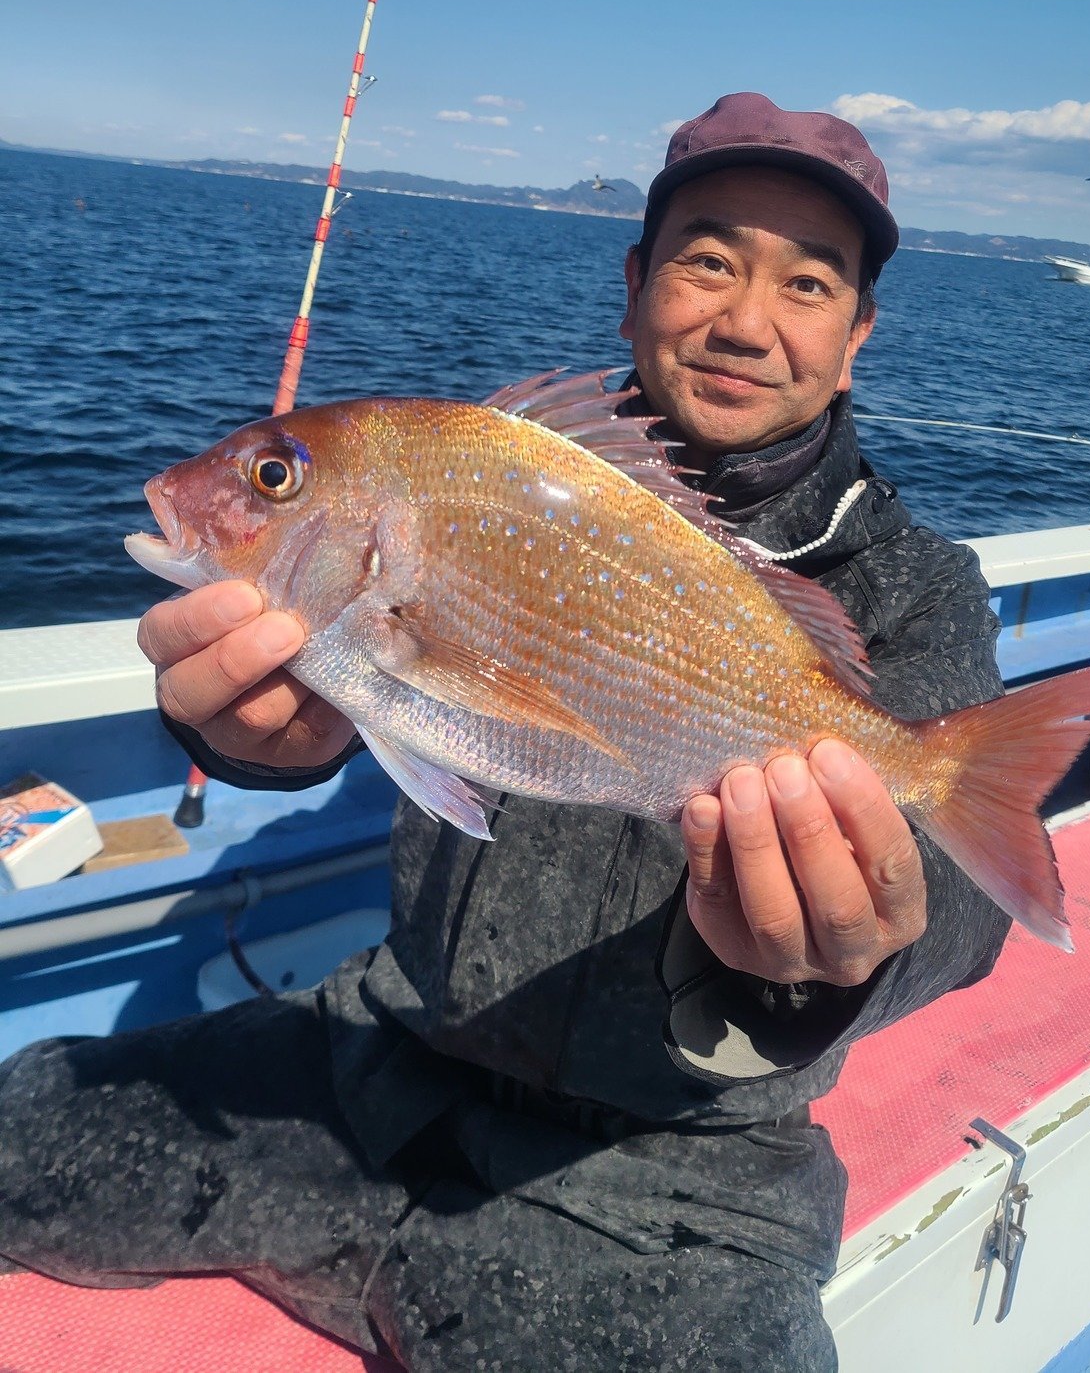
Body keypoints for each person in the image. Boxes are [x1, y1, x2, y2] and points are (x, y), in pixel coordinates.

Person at [0, 93, 1009, 1371]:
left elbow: (964, 908)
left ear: (855, 335)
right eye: (706, 260)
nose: (746, 321)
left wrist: (834, 962)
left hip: (679, 1171)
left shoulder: (916, 588)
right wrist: (253, 743)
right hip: (374, 1058)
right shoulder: (483, 464)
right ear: (635, 285)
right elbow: (381, 706)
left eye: (807, 283)